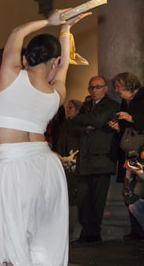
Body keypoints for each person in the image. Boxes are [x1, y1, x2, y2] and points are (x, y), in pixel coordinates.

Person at [0, 8, 89, 266]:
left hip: (16, 168)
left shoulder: (10, 77)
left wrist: (52, 19)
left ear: (25, 59)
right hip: (47, 168)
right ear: (55, 63)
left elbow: (17, 29)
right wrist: (66, 31)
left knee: (13, 249)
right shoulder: (55, 95)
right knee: (45, 244)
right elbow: (60, 70)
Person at [69, 76, 119, 246]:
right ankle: (86, 234)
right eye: (91, 87)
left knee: (97, 201)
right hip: (85, 161)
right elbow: (73, 125)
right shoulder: (87, 106)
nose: (94, 90)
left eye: (98, 87)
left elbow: (97, 120)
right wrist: (86, 125)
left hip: (101, 160)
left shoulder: (111, 105)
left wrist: (84, 121)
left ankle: (92, 235)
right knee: (83, 200)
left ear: (105, 88)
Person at [108, 72, 144, 241]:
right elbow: (126, 129)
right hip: (129, 152)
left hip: (141, 151)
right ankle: (136, 230)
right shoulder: (124, 102)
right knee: (128, 190)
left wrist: (131, 117)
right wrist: (118, 127)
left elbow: (139, 121)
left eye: (119, 87)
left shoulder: (142, 97)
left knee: (140, 190)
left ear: (129, 84)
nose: (117, 91)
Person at [55, 99, 83, 163]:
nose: (67, 109)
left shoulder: (81, 123)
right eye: (67, 107)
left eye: (70, 108)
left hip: (76, 157)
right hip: (64, 156)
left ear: (78, 109)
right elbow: (61, 140)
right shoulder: (66, 123)